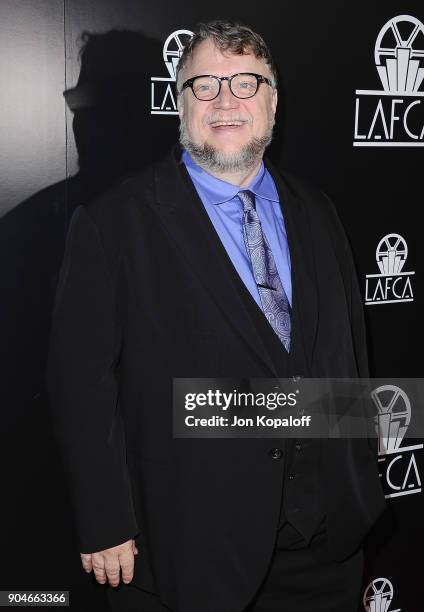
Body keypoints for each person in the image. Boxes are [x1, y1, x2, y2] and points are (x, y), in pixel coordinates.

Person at [46, 19, 386, 612]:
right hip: (191, 550)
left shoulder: (318, 210)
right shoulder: (114, 223)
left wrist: (357, 477)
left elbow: (347, 352)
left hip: (327, 547)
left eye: (246, 83)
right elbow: (80, 385)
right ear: (181, 104)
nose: (226, 100)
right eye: (205, 84)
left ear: (274, 103)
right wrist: (104, 519)